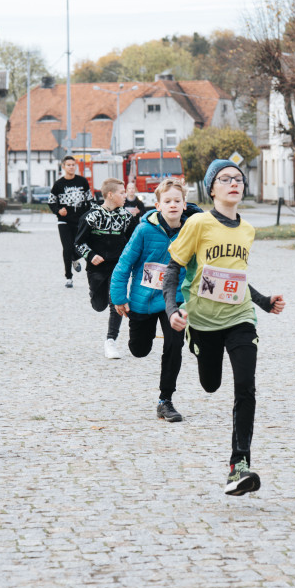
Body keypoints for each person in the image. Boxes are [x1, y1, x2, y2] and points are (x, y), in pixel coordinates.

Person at [161, 159, 286, 496]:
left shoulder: (247, 230)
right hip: (202, 321)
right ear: (211, 188)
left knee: (245, 385)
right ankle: (199, 349)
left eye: (239, 179)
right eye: (225, 178)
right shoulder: (198, 223)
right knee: (210, 384)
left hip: (240, 317)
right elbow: (173, 269)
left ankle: (239, 464)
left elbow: (237, 278)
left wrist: (262, 301)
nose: (234, 183)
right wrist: (173, 309)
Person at [111, 179, 202, 422]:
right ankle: (141, 338)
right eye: (167, 201)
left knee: (174, 345)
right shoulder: (144, 230)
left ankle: (165, 400)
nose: (172, 205)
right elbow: (124, 264)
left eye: (177, 201)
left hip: (175, 299)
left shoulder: (192, 230)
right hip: (144, 300)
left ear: (185, 205)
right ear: (157, 205)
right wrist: (119, 296)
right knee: (140, 350)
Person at [76, 178, 139, 359]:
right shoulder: (91, 217)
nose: (125, 195)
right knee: (99, 305)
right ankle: (95, 295)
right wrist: (90, 255)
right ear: (110, 195)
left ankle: (110, 341)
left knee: (116, 303)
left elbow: (134, 242)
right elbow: (78, 243)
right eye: (121, 192)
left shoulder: (127, 217)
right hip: (96, 269)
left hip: (119, 267)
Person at [48, 155, 94, 288]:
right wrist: (58, 211)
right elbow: (51, 202)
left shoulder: (82, 182)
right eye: (68, 165)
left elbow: (90, 201)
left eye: (73, 165)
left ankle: (75, 258)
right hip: (64, 222)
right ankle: (69, 277)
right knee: (67, 248)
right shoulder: (58, 185)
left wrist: (90, 215)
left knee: (82, 246)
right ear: (63, 167)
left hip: (80, 221)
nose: (71, 167)